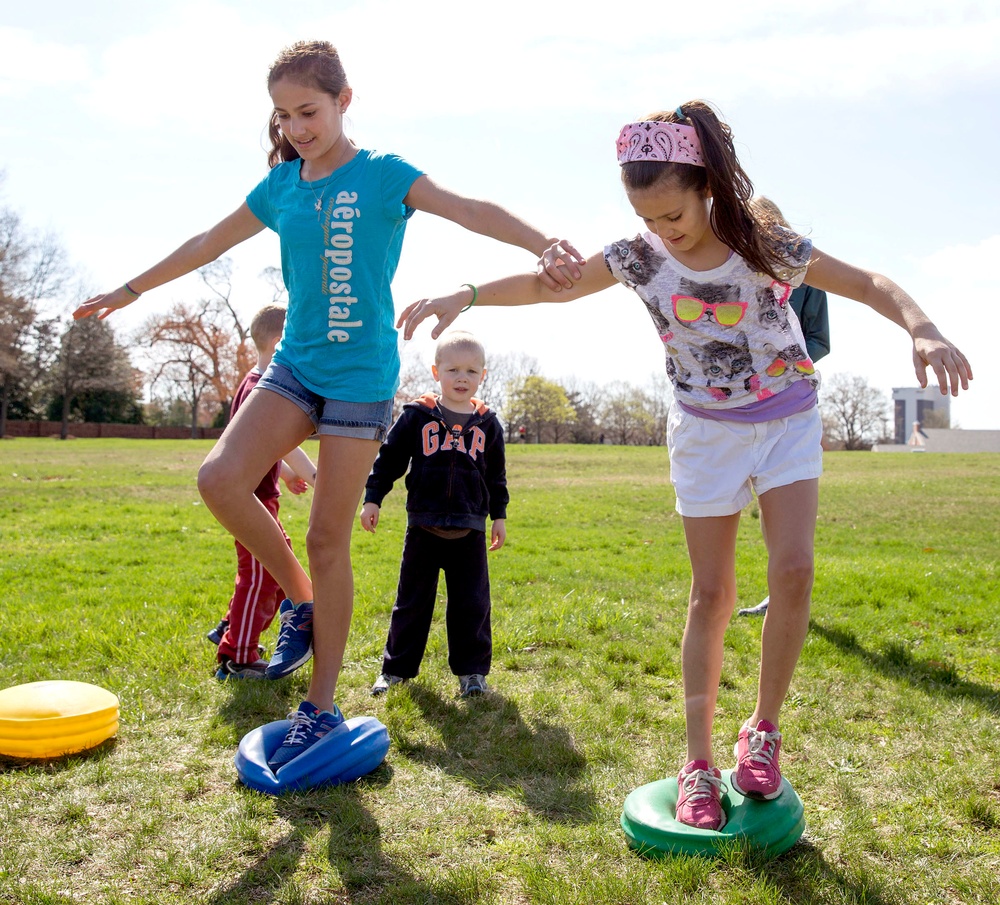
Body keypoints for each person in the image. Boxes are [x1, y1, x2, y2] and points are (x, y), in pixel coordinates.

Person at [397, 100, 972, 831]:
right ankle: (697, 761)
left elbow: (869, 283)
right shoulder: (640, 255)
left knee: (794, 569)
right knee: (713, 592)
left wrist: (922, 329)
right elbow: (552, 286)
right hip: (704, 431)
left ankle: (762, 732)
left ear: (705, 187)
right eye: (647, 216)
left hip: (786, 415)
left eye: (672, 215)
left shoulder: (763, 242)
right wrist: (468, 294)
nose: (660, 231)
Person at [72, 40, 582, 772]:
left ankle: (320, 705)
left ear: (345, 101)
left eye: (308, 111)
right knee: (219, 479)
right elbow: (206, 240)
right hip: (295, 366)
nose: (297, 127)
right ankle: (301, 601)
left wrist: (545, 243)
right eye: (283, 115)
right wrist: (131, 289)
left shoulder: (384, 176)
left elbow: (470, 207)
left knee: (325, 537)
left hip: (361, 381)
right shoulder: (281, 185)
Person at [360, 330, 507, 699]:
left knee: (472, 605)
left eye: (471, 371)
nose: (462, 378)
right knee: (411, 602)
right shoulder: (417, 416)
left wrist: (498, 516)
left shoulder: (489, 424)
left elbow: (496, 476)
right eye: (453, 369)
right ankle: (395, 670)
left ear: (482, 376)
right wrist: (373, 498)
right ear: (436, 371)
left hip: (470, 531)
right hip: (423, 528)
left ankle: (472, 674)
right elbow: (389, 459)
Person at [210, 304, 318, 679]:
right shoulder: (262, 389)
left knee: (269, 568)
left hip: (258, 498)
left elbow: (262, 446)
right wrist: (316, 476)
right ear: (279, 343)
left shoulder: (251, 382)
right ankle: (238, 657)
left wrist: (285, 475)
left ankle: (229, 629)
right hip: (249, 502)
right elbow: (281, 441)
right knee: (261, 575)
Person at [739, 196, 832, 617]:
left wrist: (785, 358)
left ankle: (788, 588)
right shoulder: (738, 267)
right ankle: (776, 586)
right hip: (738, 402)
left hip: (792, 398)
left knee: (789, 502)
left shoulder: (806, 275)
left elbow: (820, 340)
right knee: (763, 500)